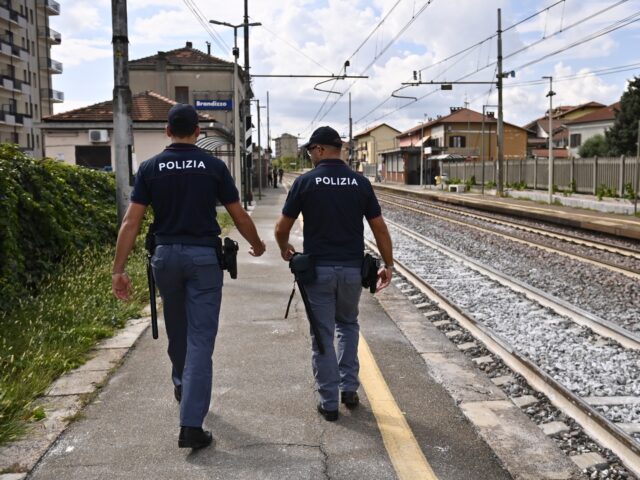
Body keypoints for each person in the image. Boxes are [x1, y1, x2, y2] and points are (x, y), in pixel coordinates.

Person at [111, 104, 266, 449]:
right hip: (202, 259)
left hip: (165, 257)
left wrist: (118, 270)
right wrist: (256, 243)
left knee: (177, 328)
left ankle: (183, 383)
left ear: (167, 131)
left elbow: (131, 222)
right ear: (198, 132)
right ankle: (191, 425)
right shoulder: (213, 166)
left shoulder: (150, 168)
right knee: (201, 338)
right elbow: (238, 215)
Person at [274, 126, 393, 422]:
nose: (311, 155)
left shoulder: (305, 182)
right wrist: (388, 265)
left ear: (320, 149)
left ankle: (329, 403)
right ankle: (349, 388)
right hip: (353, 270)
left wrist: (284, 247)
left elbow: (281, 228)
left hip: (318, 273)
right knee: (348, 324)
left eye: (312, 150)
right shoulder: (360, 183)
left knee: (323, 334)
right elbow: (379, 227)